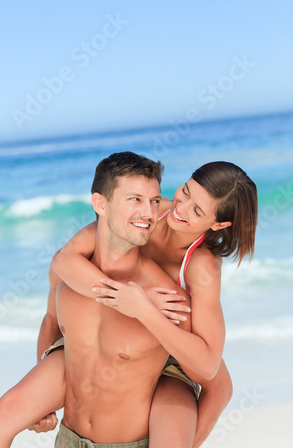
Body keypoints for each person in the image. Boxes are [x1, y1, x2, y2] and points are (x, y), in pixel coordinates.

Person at [0, 152, 193, 448]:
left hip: (128, 443)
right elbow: (51, 324)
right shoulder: (65, 271)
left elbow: (202, 376)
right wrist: (44, 402)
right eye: (134, 199)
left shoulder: (167, 298)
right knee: (4, 413)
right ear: (101, 204)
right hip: (68, 439)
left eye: (154, 201)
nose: (149, 213)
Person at [33, 156, 257, 447]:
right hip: (114, 330)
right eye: (185, 191)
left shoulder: (202, 267)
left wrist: (144, 309)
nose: (180, 208)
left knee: (220, 387)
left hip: (165, 347)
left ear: (219, 224)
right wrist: (124, 295)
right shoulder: (148, 211)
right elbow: (63, 261)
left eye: (198, 210)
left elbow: (209, 368)